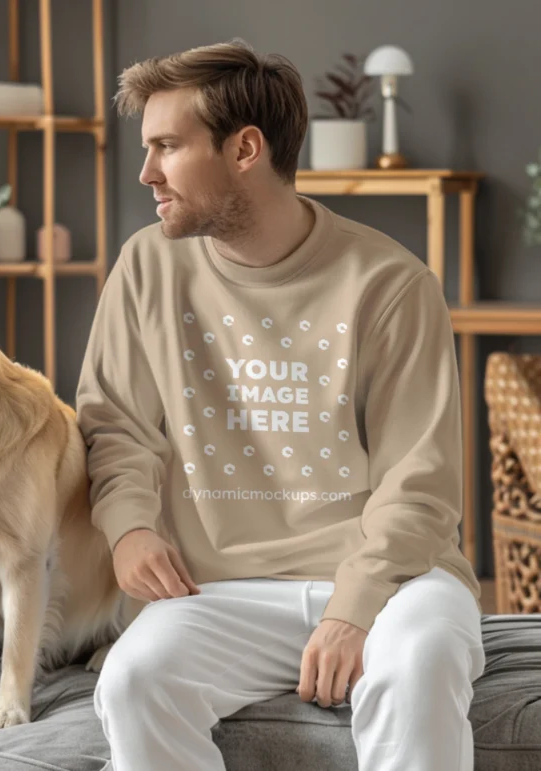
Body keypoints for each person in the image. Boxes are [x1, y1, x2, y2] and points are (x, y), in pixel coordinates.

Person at [75, 39, 485, 771]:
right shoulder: (145, 266)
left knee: (418, 664)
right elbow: (116, 423)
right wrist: (129, 526)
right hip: (221, 587)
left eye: (167, 146)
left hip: (396, 580)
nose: (146, 173)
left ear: (245, 149)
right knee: (133, 679)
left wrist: (350, 609)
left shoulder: (390, 283)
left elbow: (418, 481)